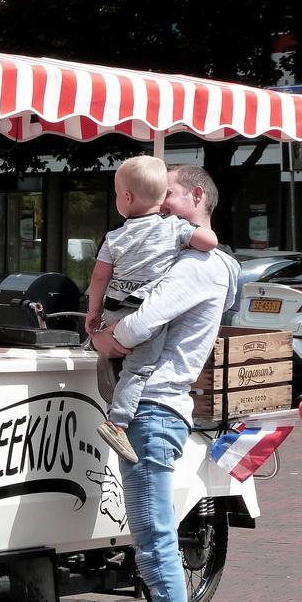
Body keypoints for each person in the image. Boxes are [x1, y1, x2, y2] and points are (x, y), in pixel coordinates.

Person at [92, 163, 239, 602]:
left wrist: (102, 336)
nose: (162, 203)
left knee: (155, 542)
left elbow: (139, 323)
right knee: (154, 538)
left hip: (153, 409)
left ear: (197, 196)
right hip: (157, 409)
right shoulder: (196, 257)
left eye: (170, 193)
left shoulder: (199, 265)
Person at [84, 156, 217, 464]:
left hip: (114, 309)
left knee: (114, 362)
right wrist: (188, 237)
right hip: (141, 309)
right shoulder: (173, 228)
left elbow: (99, 277)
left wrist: (93, 312)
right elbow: (210, 241)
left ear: (127, 198)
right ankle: (117, 422)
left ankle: (112, 403)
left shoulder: (114, 236)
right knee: (138, 368)